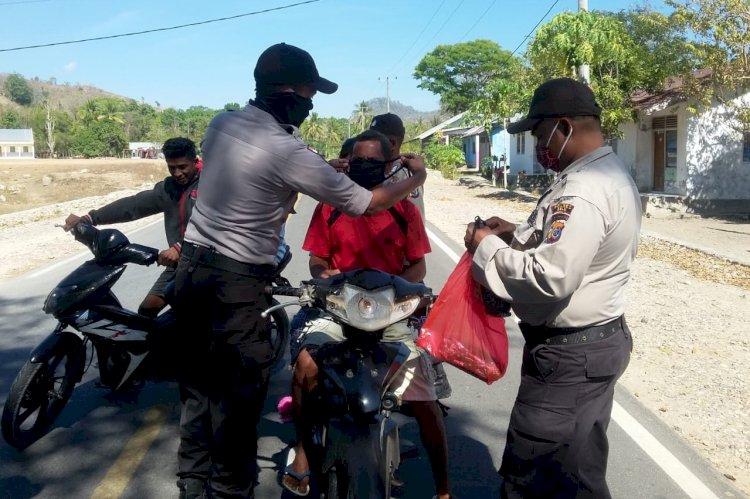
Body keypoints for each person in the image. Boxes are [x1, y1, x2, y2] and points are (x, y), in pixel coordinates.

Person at [172, 43, 427, 499]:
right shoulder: (289, 150)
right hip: (236, 282)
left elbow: (270, 188)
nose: (310, 104)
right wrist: (417, 178)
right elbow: (368, 203)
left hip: (192, 270)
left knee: (197, 386)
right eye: (309, 94)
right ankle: (231, 491)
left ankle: (193, 484)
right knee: (237, 395)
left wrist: (315, 171)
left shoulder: (221, 124)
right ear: (288, 91)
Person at [464, 78, 640, 499]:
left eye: (542, 136)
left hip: (568, 359)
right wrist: (513, 234)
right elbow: (569, 244)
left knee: (534, 476)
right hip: (594, 345)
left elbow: (551, 276)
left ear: (563, 127)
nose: (541, 147)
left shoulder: (583, 189)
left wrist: (484, 246)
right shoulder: (604, 173)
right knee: (577, 473)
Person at [283, 129, 451, 499]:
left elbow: (417, 268)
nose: (365, 168)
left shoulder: (405, 211)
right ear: (348, 162)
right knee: (305, 365)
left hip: (390, 314)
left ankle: (443, 488)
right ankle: (302, 450)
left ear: (391, 166)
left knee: (424, 397)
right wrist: (329, 282)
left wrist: (398, 293)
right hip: (339, 309)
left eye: (374, 163)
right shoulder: (329, 208)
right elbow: (317, 261)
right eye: (359, 162)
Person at [62, 137, 200, 318]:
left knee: (196, 314)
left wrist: (180, 247)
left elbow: (218, 223)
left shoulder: (212, 185)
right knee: (147, 311)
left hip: (208, 264)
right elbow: (133, 206)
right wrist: (90, 218)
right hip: (179, 265)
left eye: (183, 167)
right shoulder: (168, 188)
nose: (177, 173)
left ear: (195, 161)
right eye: (171, 167)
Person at [370, 112, 426, 219]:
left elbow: (414, 220)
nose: (369, 144)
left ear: (392, 143)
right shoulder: (376, 168)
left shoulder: (405, 173)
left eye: (373, 140)